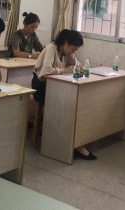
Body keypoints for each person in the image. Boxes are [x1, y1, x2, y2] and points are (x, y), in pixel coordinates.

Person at [31, 29, 95, 160]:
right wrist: (65, 70)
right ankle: (63, 142)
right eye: (72, 49)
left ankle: (72, 141)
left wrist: (81, 69)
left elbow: (76, 65)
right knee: (65, 105)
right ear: (66, 43)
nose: (73, 52)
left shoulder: (67, 53)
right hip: (41, 86)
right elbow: (46, 71)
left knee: (74, 103)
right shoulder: (51, 49)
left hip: (58, 86)